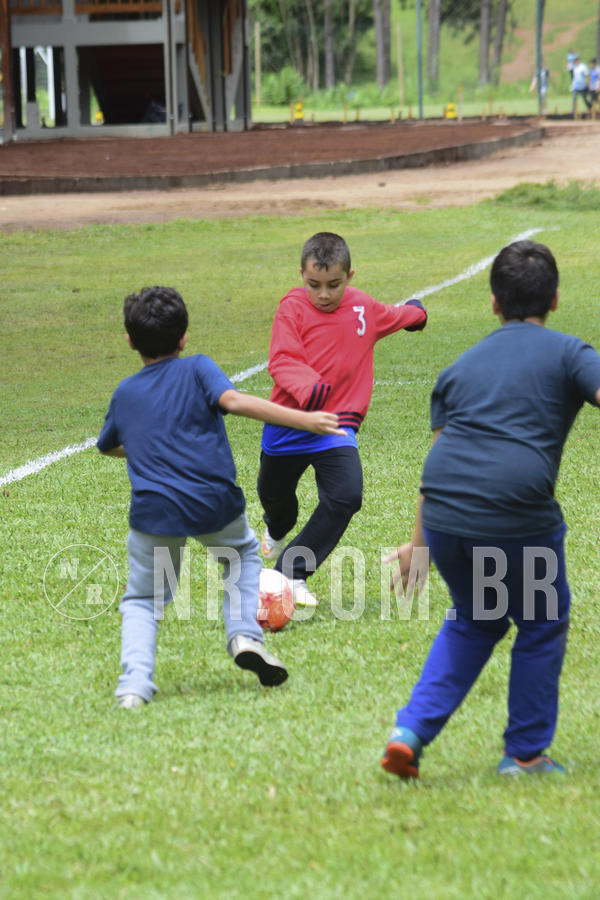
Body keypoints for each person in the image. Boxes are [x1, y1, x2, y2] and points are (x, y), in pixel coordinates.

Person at [381, 240, 600, 778]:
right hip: (517, 514)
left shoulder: (459, 368)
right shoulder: (572, 353)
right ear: (553, 300)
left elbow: (437, 460)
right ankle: (524, 754)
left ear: (494, 305)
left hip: (447, 519)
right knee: (542, 622)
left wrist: (418, 546)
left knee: (476, 620)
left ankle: (408, 732)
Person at [97, 286, 344, 708]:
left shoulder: (125, 393)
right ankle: (244, 636)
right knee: (243, 558)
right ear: (183, 337)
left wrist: (146, 445)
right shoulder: (198, 369)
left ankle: (134, 686)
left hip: (154, 511)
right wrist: (305, 420)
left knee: (143, 598)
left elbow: (109, 445)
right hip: (214, 500)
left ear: (130, 341)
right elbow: (234, 400)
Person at [257, 231, 427, 608]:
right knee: (277, 503)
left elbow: (395, 315)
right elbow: (282, 359)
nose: (323, 294)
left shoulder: (362, 307)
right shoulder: (292, 308)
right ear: (301, 274)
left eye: (333, 285)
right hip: (289, 425)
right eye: (313, 284)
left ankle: (292, 572)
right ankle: (277, 528)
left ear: (350, 276)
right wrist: (309, 388)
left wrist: (418, 315)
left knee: (346, 495)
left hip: (335, 426)